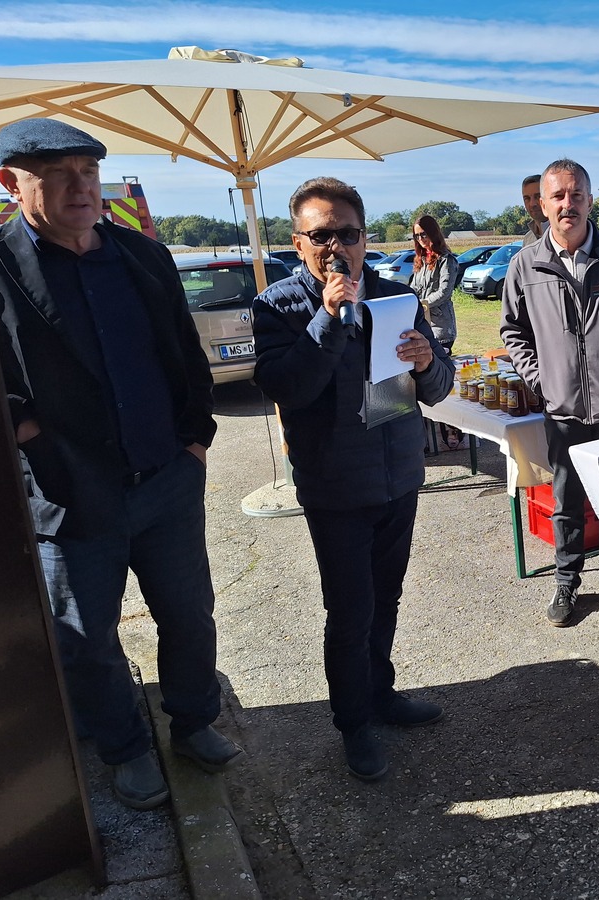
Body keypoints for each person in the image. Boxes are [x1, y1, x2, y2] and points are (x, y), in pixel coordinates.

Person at [0, 118, 242, 811]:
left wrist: (195, 442)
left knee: (189, 615)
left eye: (89, 172)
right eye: (58, 175)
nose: (81, 187)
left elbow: (183, 354)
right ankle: (125, 748)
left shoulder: (142, 255)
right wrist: (31, 437)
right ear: (10, 184)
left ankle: (194, 722)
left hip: (166, 480)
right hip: (70, 494)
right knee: (86, 637)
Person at [252, 177, 454, 781]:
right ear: (298, 242)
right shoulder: (279, 306)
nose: (335, 246)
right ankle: (353, 723)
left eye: (347, 233)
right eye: (320, 235)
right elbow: (286, 387)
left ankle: (380, 693)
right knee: (350, 609)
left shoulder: (397, 296)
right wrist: (329, 317)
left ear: (365, 239)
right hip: (335, 485)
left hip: (398, 475)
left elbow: (437, 389)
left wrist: (428, 363)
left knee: (386, 597)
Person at [500, 159, 599, 627]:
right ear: (542, 205)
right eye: (558, 196)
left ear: (590, 200)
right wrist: (541, 380)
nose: (567, 204)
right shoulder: (525, 265)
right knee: (567, 502)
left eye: (576, 195)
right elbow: (513, 331)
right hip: (563, 410)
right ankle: (566, 581)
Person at [410, 214, 463, 449]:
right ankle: (433, 437)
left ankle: (451, 434)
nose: (421, 239)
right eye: (416, 235)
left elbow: (444, 292)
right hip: (422, 326)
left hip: (441, 329)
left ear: (433, 233)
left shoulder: (447, 260)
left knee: (441, 380)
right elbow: (412, 289)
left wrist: (421, 304)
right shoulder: (420, 261)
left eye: (424, 234)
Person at [521, 174, 547, 246]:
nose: (532, 204)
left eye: (538, 196)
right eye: (527, 198)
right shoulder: (528, 239)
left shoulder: (563, 234)